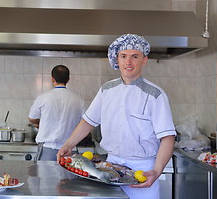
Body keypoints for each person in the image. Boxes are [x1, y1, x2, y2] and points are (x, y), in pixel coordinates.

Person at [57, 34, 176, 199]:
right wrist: (68, 145)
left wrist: (156, 171)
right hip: (110, 166)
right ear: (117, 59)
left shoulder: (155, 95)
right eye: (123, 56)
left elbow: (168, 137)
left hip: (142, 169)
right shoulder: (107, 90)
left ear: (144, 60)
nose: (128, 62)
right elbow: (88, 121)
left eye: (135, 56)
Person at [29, 65, 85, 161]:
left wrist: (39, 123)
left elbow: (32, 118)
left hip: (47, 149)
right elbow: (84, 123)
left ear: (52, 79)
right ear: (68, 80)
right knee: (68, 176)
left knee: (45, 176)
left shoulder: (43, 97)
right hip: (69, 150)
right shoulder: (78, 100)